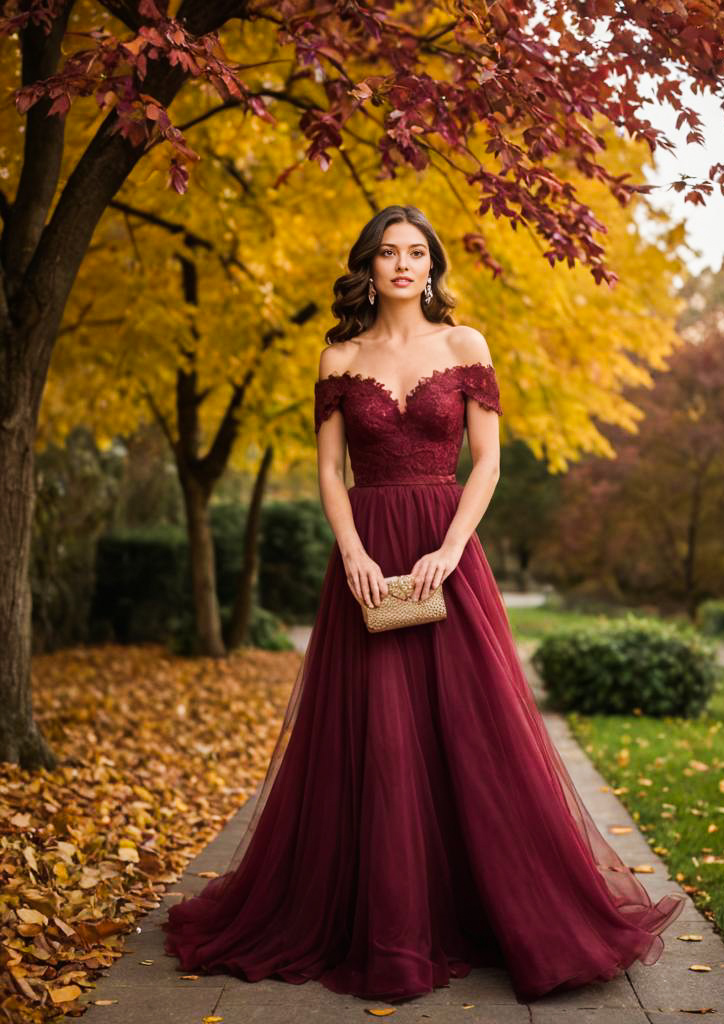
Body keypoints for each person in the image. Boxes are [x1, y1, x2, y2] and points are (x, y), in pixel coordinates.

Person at [161, 204, 686, 1003]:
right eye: (387, 252)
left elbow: (488, 464)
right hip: (367, 558)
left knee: (474, 731)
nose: (402, 265)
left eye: (415, 253)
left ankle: (501, 911)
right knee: (378, 734)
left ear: (432, 265)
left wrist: (449, 549)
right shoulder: (338, 357)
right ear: (367, 266)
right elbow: (330, 474)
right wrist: (353, 554)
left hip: (448, 551)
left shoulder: (465, 345)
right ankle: (389, 925)